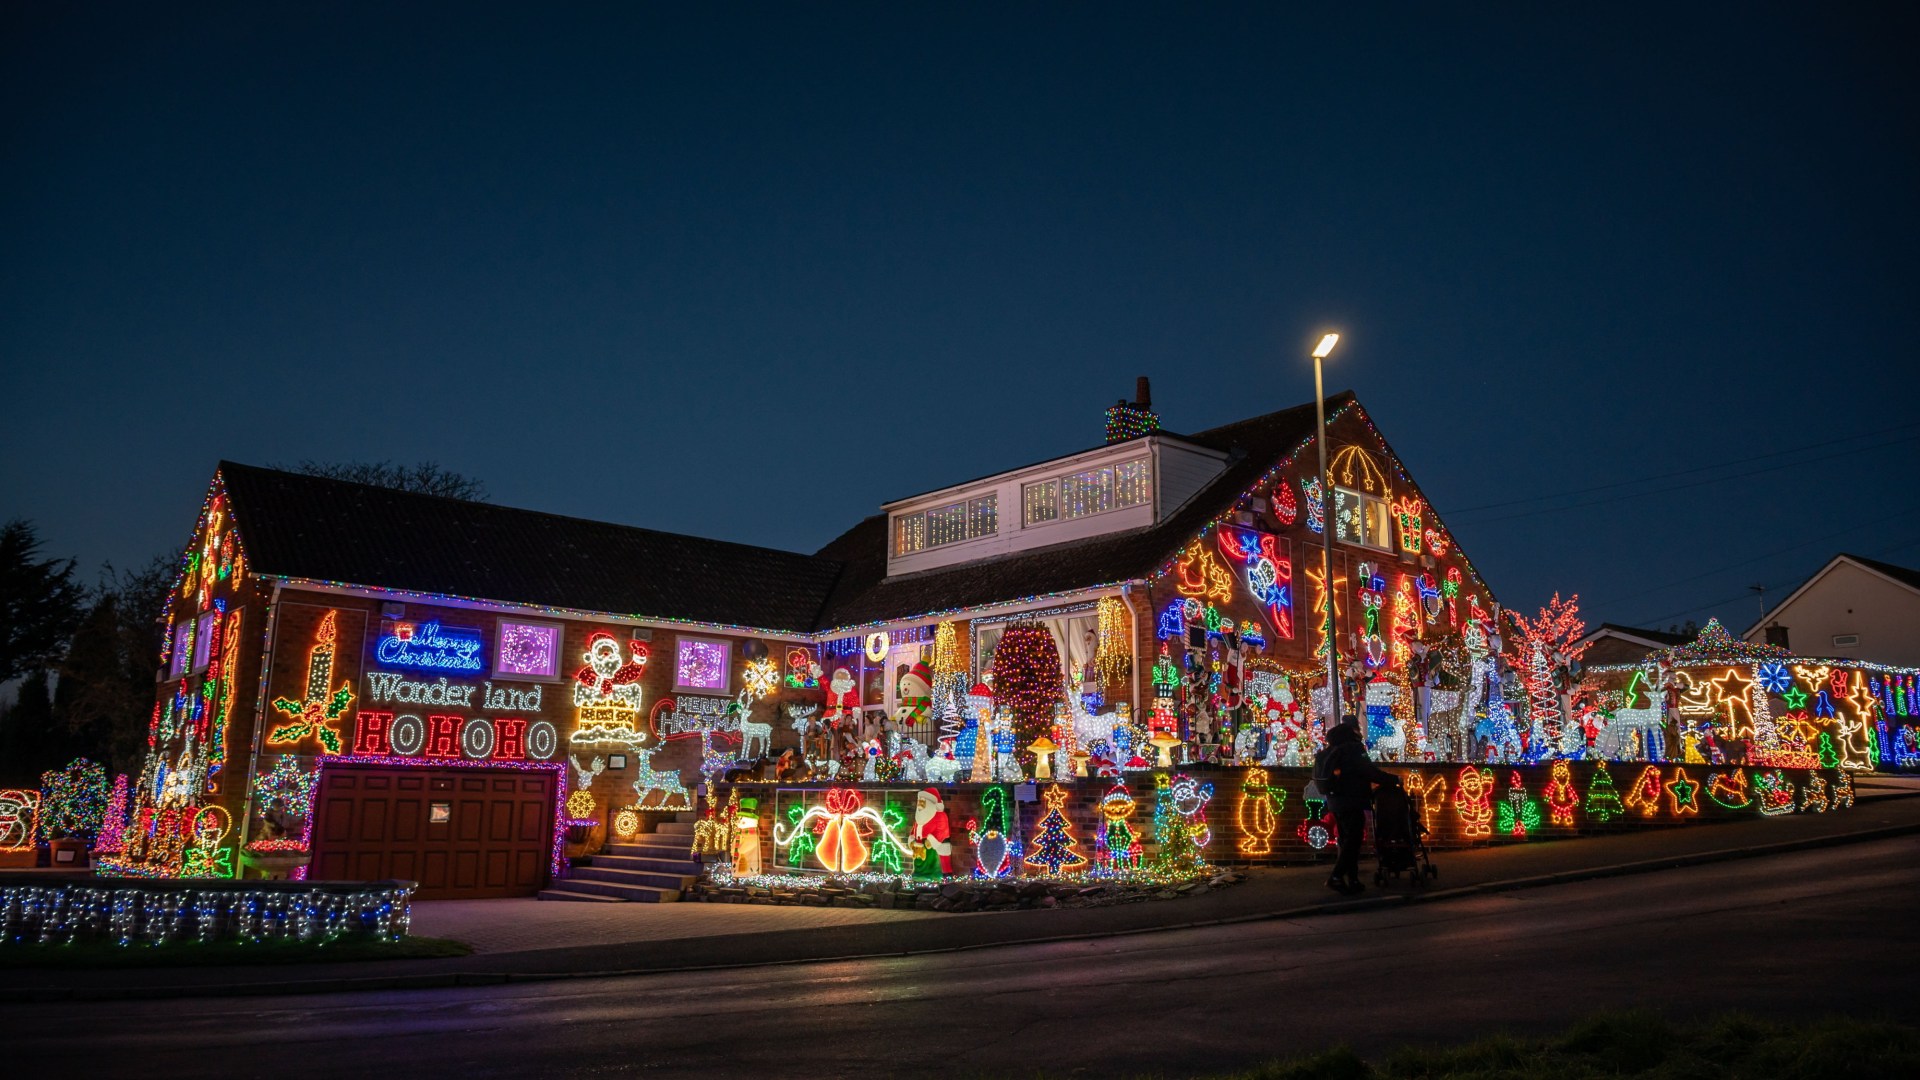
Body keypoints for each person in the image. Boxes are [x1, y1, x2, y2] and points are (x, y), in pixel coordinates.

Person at [1313, 720, 1403, 894]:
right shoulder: (1354, 749)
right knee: (1353, 841)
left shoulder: (1328, 752)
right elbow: (1369, 771)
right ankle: (1337, 876)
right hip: (1352, 800)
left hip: (1335, 802)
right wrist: (1394, 780)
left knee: (1346, 841)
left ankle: (1353, 880)